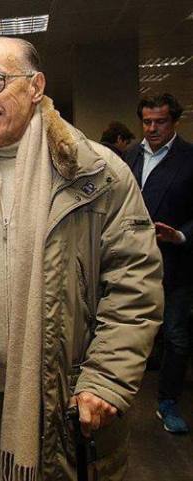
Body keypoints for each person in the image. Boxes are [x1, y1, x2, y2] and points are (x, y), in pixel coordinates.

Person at [0, 36, 163, 481]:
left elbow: (134, 286)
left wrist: (106, 378)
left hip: (69, 393)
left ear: (36, 87)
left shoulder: (95, 172)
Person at [123, 93, 193, 434]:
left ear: (174, 121)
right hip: (131, 263)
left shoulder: (189, 158)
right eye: (147, 122)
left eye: (160, 122)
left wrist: (180, 235)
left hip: (174, 264)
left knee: (176, 336)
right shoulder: (130, 156)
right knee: (127, 329)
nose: (152, 128)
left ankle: (168, 402)